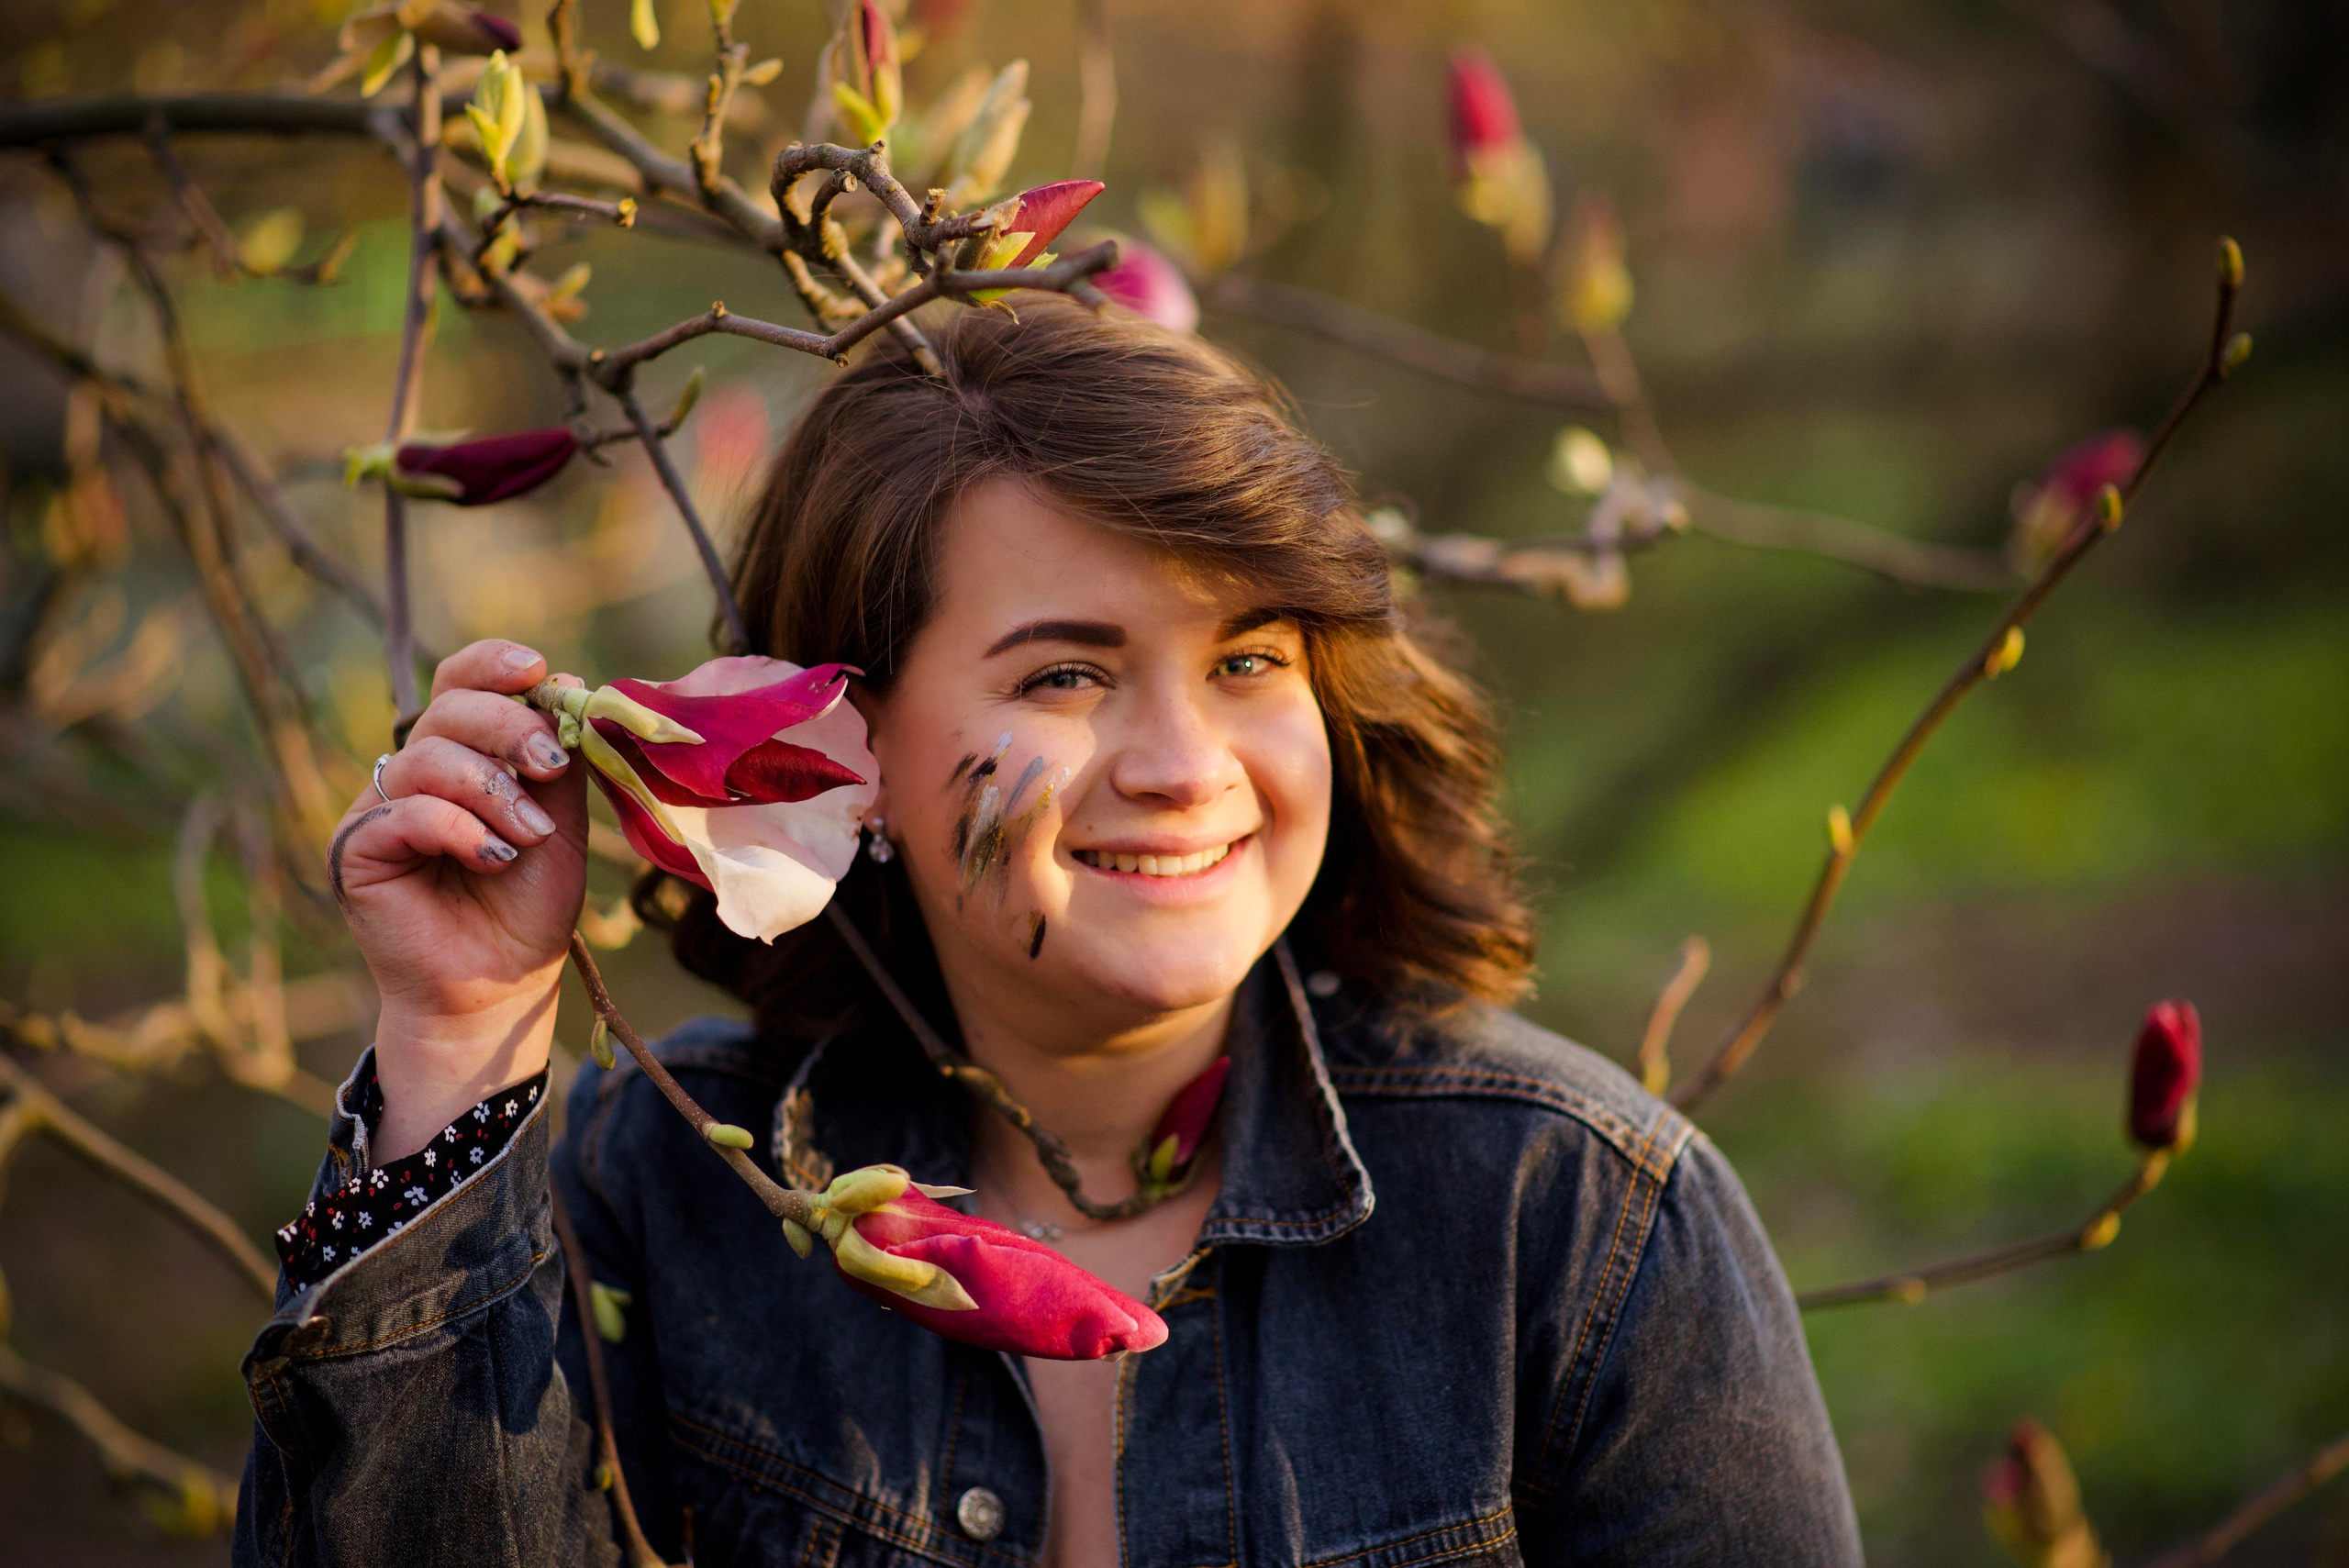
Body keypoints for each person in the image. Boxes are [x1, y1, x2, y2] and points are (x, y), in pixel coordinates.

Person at [237, 297, 1861, 1567]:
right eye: (1064, 676)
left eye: (1248, 661)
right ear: (845, 746)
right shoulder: (664, 1190)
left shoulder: (1581, 1224)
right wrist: (455, 1037)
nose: (1179, 768)